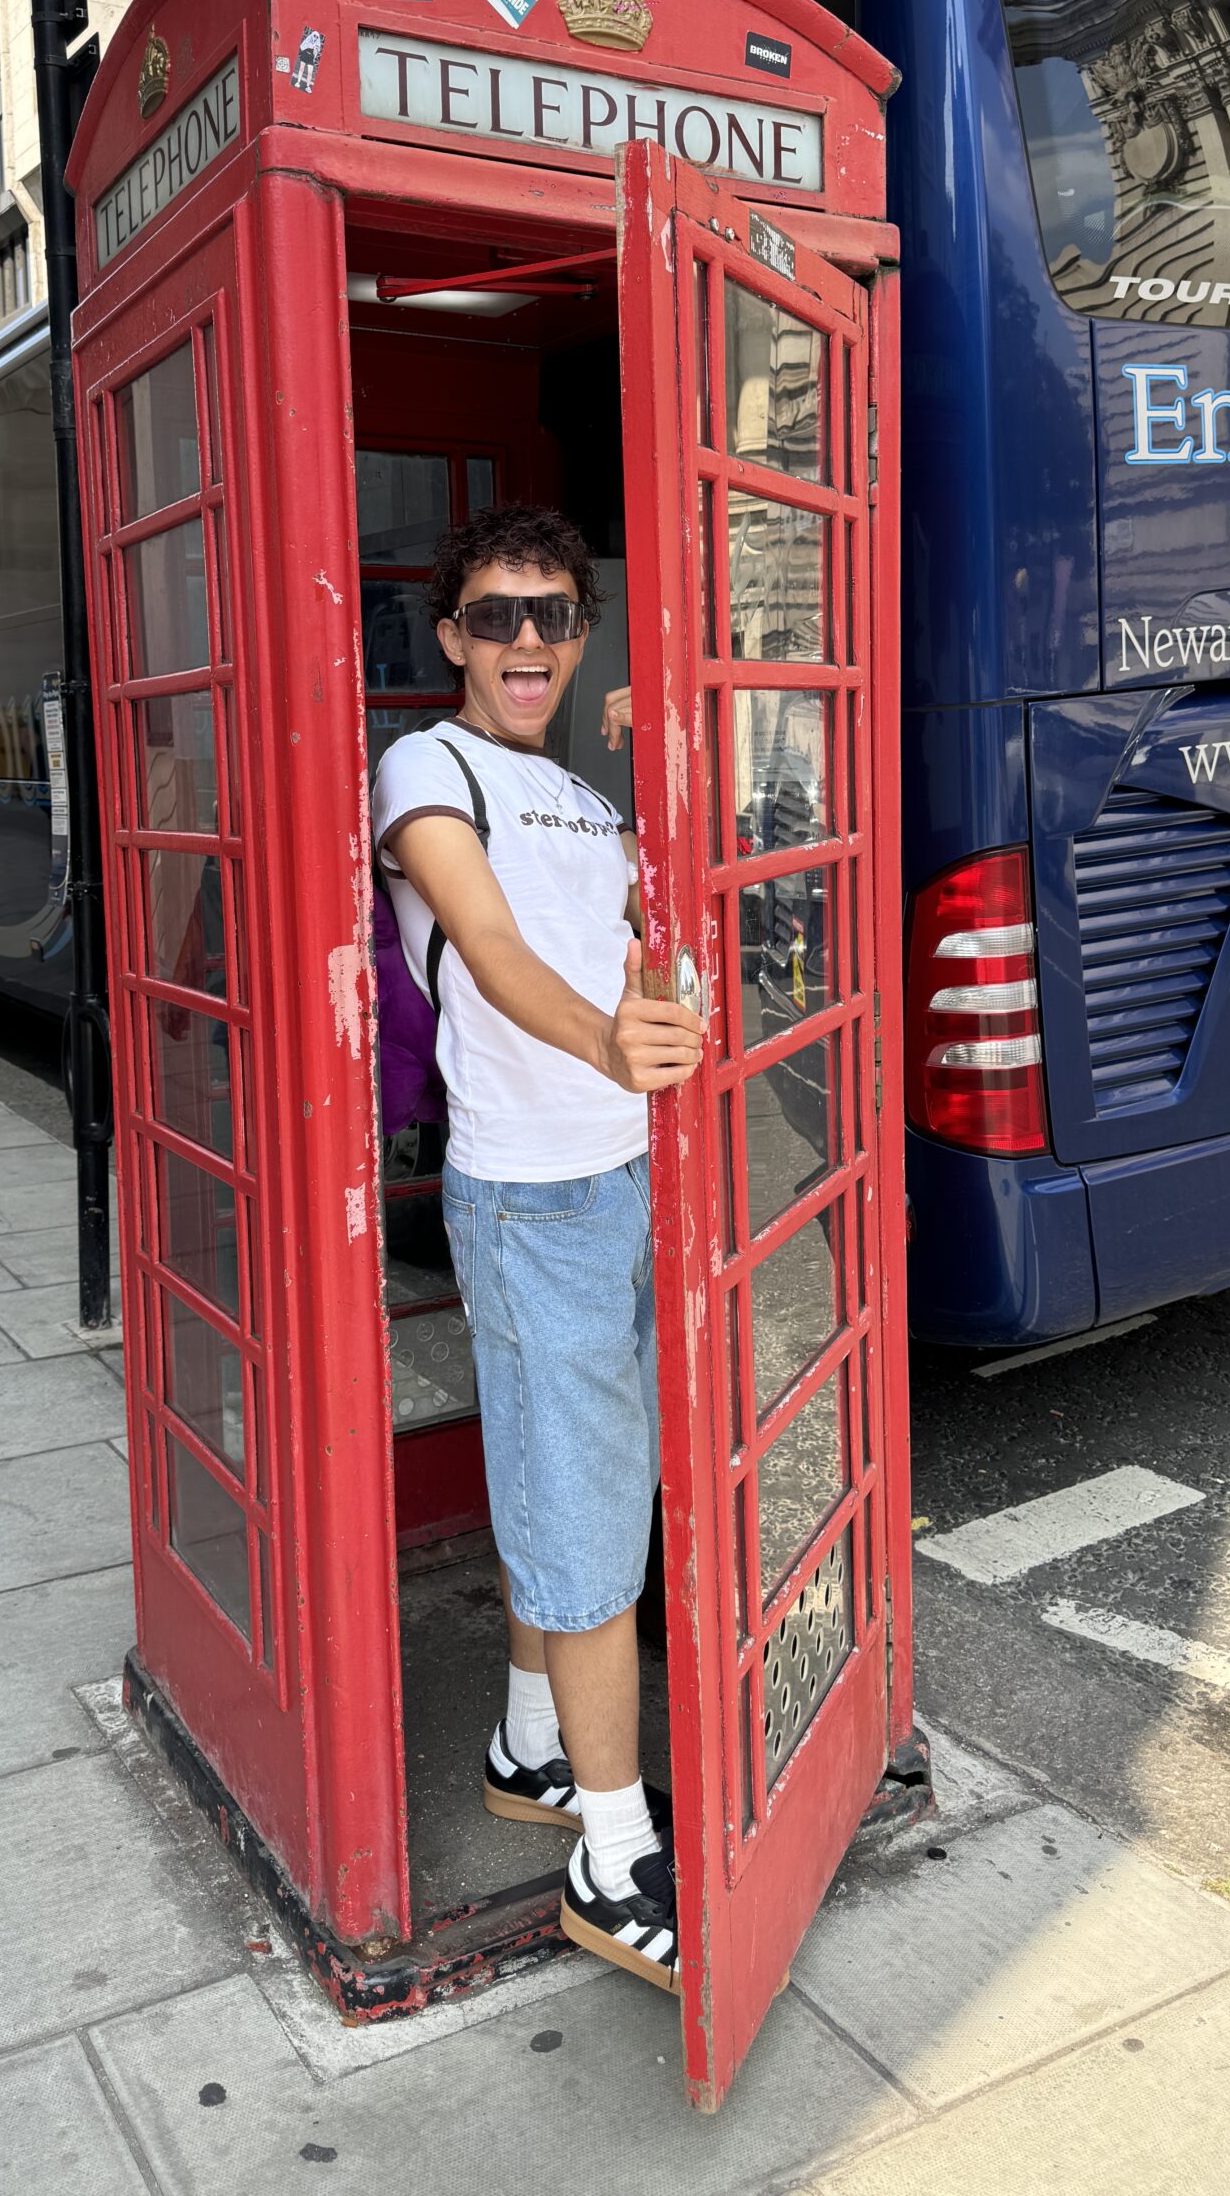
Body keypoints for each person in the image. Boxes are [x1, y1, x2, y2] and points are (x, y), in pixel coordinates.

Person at [370, 508, 706, 1996]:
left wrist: (681, 773)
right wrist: (609, 1043)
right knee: (581, 1521)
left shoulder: (577, 786)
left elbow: (657, 928)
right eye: (496, 617)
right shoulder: (427, 771)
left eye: (553, 618)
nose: (525, 643)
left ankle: (529, 1741)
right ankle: (609, 1852)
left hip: (633, 1177)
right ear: (452, 638)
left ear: (580, 633)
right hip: (531, 1191)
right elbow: (493, 953)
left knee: (587, 1481)